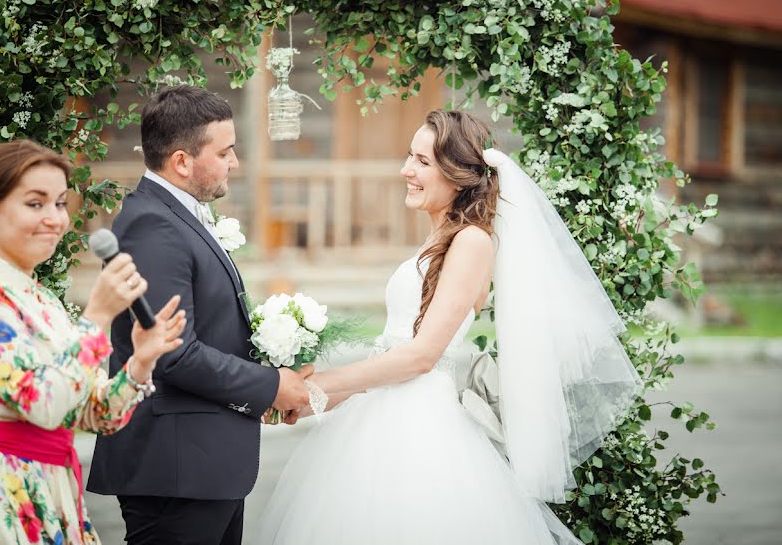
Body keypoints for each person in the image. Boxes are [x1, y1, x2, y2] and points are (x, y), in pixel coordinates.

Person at [254, 110, 642, 544]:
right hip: (384, 415)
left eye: (422, 161)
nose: (406, 170)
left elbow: (422, 356)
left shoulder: (471, 241)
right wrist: (315, 400)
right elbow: (391, 353)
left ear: (457, 176)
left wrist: (316, 386)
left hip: (421, 430)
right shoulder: (439, 238)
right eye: (409, 157)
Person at [87, 85, 312, 545]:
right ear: (182, 162)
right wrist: (271, 385)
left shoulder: (175, 214)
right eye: (225, 152)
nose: (235, 163)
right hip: (175, 470)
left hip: (200, 464)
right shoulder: (154, 225)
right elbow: (171, 352)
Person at [0, 140, 187, 545]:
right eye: (35, 204)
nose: (54, 218)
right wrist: (98, 317)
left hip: (51, 486)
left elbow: (92, 415)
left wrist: (141, 361)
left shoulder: (40, 297)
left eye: (59, 204)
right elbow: (44, 403)